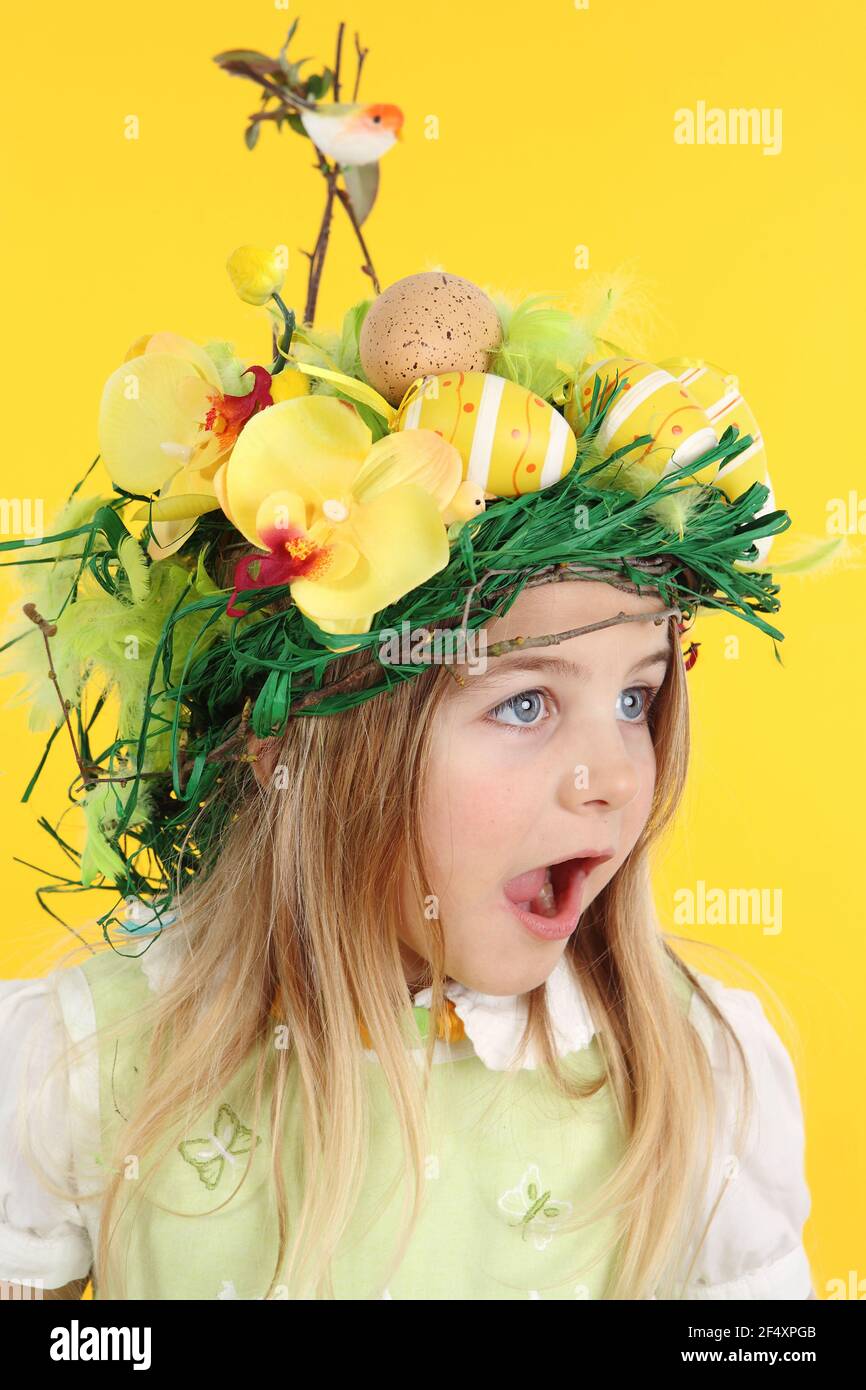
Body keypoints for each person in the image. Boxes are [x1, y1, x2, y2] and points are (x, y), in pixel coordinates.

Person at [0, 252, 815, 1299]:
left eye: (634, 699)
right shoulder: (89, 1068)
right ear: (302, 738)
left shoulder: (693, 1081)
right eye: (524, 703)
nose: (613, 776)